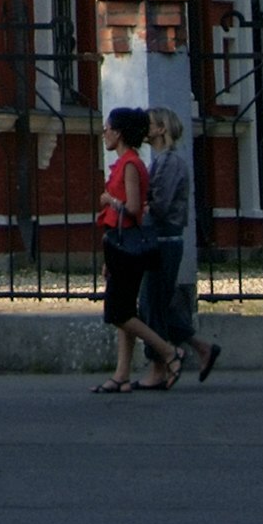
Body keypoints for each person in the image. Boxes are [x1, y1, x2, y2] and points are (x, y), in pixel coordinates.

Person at [97, 105, 184, 393]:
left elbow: (134, 208)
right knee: (124, 312)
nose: (104, 133)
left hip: (127, 243)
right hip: (118, 243)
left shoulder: (131, 164)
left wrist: (110, 200)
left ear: (119, 133)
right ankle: (121, 374)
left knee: (118, 313)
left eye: (108, 128)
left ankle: (169, 352)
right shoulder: (127, 162)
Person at [142, 105, 221, 384]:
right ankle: (201, 348)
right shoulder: (161, 161)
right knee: (157, 305)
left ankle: (163, 362)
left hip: (164, 241)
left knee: (151, 305)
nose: (145, 128)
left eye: (149, 124)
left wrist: (130, 205)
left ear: (162, 129)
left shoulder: (169, 163)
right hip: (163, 240)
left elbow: (159, 206)